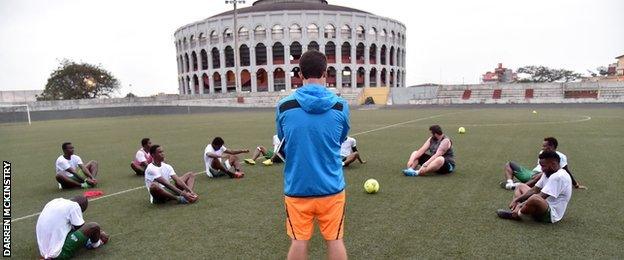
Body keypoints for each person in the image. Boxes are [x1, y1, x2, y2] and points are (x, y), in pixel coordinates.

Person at [276, 50, 350, 260]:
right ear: (325, 73)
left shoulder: (284, 106)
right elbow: (341, 138)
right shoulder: (340, 106)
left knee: (298, 241)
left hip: (298, 187)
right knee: (335, 240)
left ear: (299, 74)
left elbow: (283, 137)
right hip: (331, 187)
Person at [496, 151, 572, 223]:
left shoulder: (559, 177)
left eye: (543, 166)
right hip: (542, 205)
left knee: (535, 198)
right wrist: (516, 200)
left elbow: (541, 196)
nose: (542, 169)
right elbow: (534, 190)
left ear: (553, 164)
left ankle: (517, 214)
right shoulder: (547, 173)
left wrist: (520, 204)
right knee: (520, 186)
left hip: (551, 214)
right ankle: (515, 212)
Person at [36, 195, 109, 259]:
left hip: (43, 250)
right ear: (81, 208)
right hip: (57, 254)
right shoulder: (74, 206)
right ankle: (96, 244)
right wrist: (98, 235)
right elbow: (81, 227)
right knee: (94, 226)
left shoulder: (55, 201)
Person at [501, 137, 586, 190]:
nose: (542, 148)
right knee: (509, 164)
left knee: (543, 174)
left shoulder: (561, 156)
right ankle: (511, 183)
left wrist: (576, 184)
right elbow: (540, 167)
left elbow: (566, 170)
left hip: (542, 177)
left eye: (545, 146)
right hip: (532, 174)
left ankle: (517, 186)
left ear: (552, 146)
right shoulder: (542, 153)